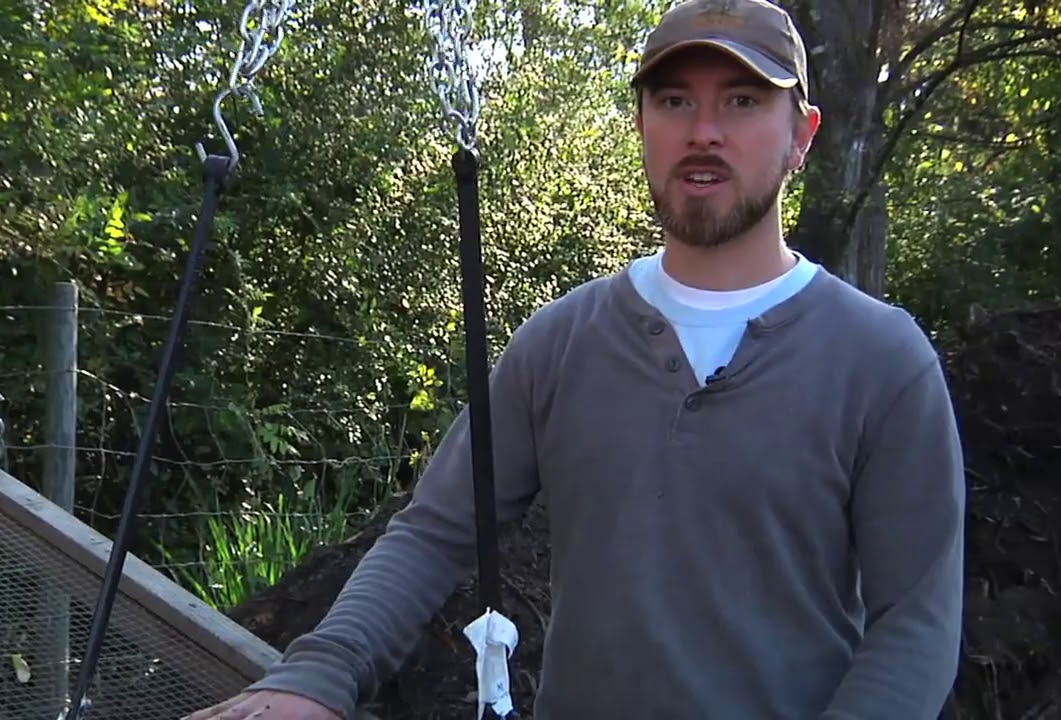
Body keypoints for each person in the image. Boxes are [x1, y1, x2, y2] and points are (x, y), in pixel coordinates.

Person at [184, 0, 966, 717]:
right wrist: (317, 677)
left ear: (801, 134)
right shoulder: (562, 344)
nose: (704, 131)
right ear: (643, 126)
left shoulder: (882, 362)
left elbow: (914, 627)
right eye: (674, 101)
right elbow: (433, 533)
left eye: (743, 100)